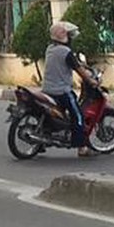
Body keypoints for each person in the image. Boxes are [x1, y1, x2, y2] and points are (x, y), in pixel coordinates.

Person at [42, 21, 97, 157]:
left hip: (47, 89)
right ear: (63, 36)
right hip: (62, 91)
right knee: (78, 116)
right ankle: (81, 147)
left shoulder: (50, 48)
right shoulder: (66, 52)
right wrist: (90, 80)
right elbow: (79, 70)